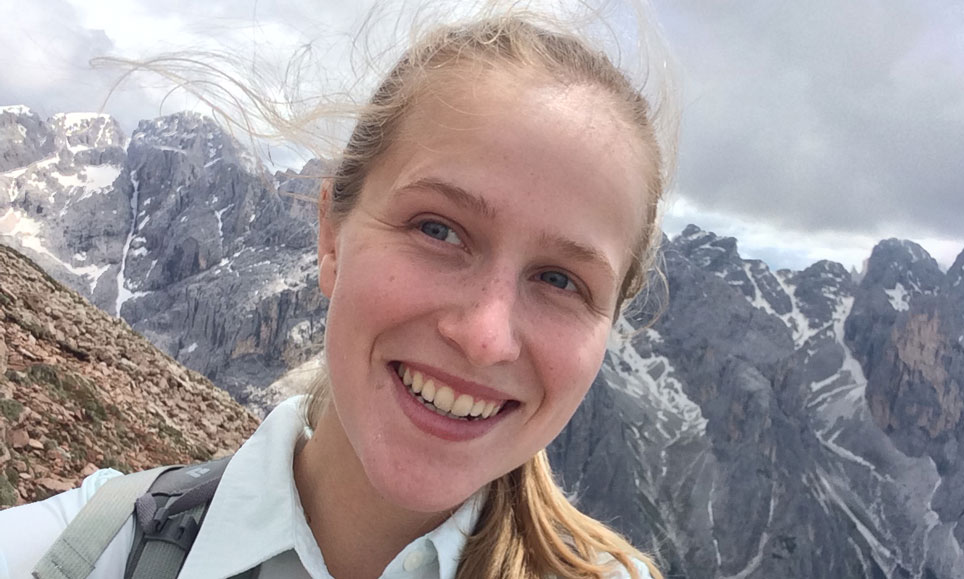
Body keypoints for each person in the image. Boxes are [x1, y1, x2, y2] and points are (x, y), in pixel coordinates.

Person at [1, 6, 676, 578]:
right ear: (330, 236)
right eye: (438, 229)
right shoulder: (78, 551)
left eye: (560, 280)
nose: (485, 336)